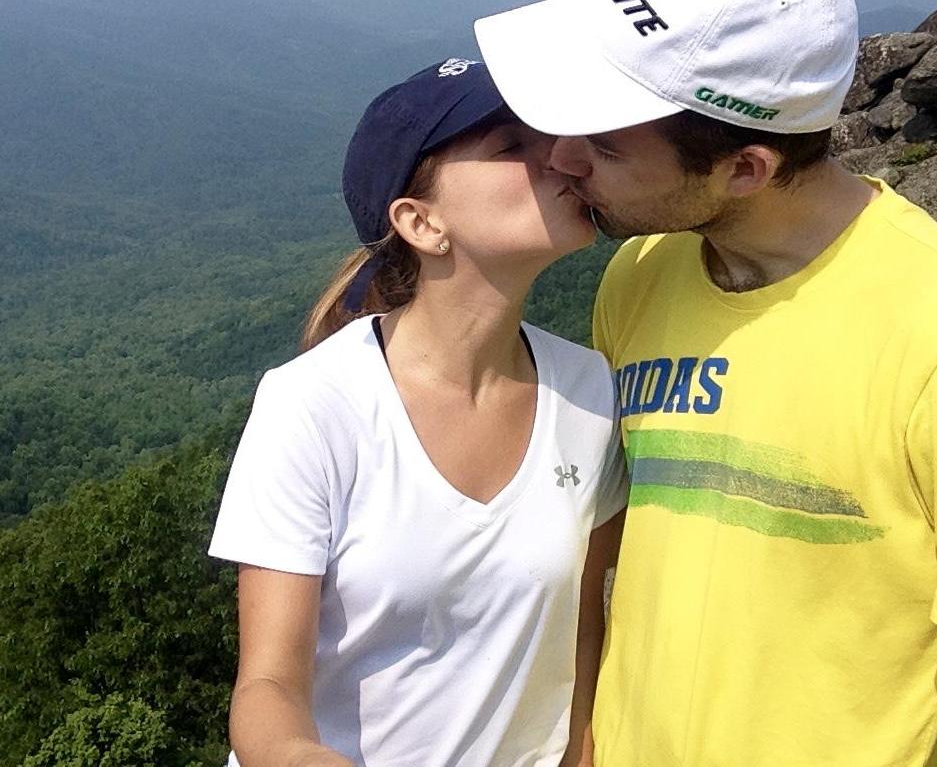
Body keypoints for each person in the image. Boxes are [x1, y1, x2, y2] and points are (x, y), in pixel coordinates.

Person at [474, 0, 937, 766]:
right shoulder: (642, 274)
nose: (560, 157)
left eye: (608, 146)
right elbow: (608, 549)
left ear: (746, 167)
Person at [208, 58, 628, 767]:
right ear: (421, 222)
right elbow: (269, 683)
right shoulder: (313, 406)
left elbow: (584, 627)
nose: (560, 158)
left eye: (548, 136)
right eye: (509, 149)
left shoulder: (588, 389)